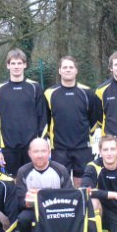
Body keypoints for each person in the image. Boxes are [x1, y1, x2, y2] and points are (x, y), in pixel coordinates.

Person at [14, 139, 105, 232]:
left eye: (43, 151)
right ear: (29, 153)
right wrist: (30, 201)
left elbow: (69, 196)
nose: (40, 155)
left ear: (49, 152)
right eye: (36, 151)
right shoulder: (23, 172)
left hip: (58, 210)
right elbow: (20, 200)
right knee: (23, 218)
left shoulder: (60, 169)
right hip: (35, 210)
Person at [0, 48, 48, 176]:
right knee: (12, 183)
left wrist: (42, 144)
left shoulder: (35, 87)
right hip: (8, 147)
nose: (16, 66)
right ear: (8, 65)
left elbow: (43, 118)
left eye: (19, 63)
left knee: (32, 181)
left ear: (25, 65)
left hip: (32, 147)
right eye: (13, 63)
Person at [45, 56, 98, 186]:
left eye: (71, 67)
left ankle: (81, 200)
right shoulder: (49, 93)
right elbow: (46, 119)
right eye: (65, 67)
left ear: (76, 70)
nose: (68, 70)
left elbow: (94, 118)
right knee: (61, 183)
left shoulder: (87, 92)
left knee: (82, 184)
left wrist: (87, 135)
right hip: (59, 148)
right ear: (59, 70)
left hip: (82, 147)